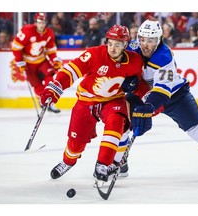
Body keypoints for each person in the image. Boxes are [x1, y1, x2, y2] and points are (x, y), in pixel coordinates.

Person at [117, 19, 198, 180]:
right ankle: (119, 162)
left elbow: (161, 92)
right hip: (144, 92)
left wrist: (147, 108)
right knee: (122, 121)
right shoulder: (132, 48)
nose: (145, 44)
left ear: (158, 40)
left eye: (150, 40)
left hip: (175, 96)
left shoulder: (165, 57)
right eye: (142, 39)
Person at [39, 24, 145, 186]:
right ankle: (68, 161)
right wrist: (55, 88)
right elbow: (71, 70)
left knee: (117, 121)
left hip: (113, 101)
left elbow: (141, 84)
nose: (113, 48)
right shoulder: (95, 54)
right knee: (75, 143)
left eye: (117, 44)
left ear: (125, 45)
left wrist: (138, 95)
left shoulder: (135, 61)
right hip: (86, 101)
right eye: (110, 43)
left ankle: (103, 164)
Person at [11, 12, 63, 113]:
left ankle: (50, 100)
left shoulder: (49, 33)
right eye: (39, 22)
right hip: (28, 64)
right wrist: (20, 62)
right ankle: (42, 99)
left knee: (49, 76)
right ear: (35, 22)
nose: (41, 25)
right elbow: (16, 47)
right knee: (37, 85)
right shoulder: (27, 31)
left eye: (43, 22)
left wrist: (54, 59)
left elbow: (50, 49)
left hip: (41, 60)